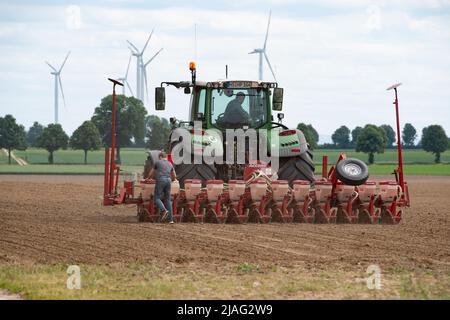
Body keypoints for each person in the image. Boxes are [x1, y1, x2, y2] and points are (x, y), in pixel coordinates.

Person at [147, 151, 177, 224]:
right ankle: (170, 220)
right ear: (166, 157)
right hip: (168, 181)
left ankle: (163, 210)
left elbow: (151, 173)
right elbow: (174, 176)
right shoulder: (170, 163)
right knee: (168, 200)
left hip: (160, 180)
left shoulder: (157, 162)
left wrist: (148, 178)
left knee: (156, 198)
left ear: (160, 157)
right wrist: (173, 180)